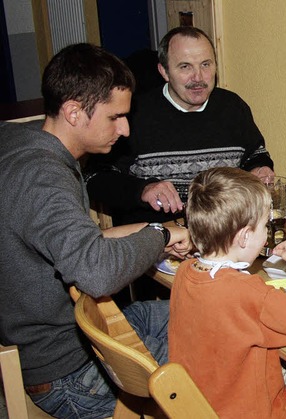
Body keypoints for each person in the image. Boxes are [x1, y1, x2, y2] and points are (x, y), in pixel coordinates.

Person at [0, 43, 191, 419]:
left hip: (72, 333)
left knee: (202, 309)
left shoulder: (18, 140)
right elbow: (96, 270)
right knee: (224, 353)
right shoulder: (43, 178)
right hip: (68, 369)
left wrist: (160, 229)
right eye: (115, 117)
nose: (125, 129)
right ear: (73, 112)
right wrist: (162, 238)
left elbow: (77, 246)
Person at [168, 167, 286, 418]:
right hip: (242, 410)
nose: (267, 233)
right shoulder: (244, 291)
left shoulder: (184, 272)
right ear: (245, 237)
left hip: (197, 403)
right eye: (264, 226)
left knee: (282, 366)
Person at [85, 26, 275, 225]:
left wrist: (259, 168)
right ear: (164, 71)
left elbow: (255, 154)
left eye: (205, 64)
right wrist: (142, 189)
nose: (198, 77)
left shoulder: (233, 107)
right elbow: (94, 177)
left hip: (226, 232)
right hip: (157, 238)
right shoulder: (133, 114)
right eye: (185, 67)